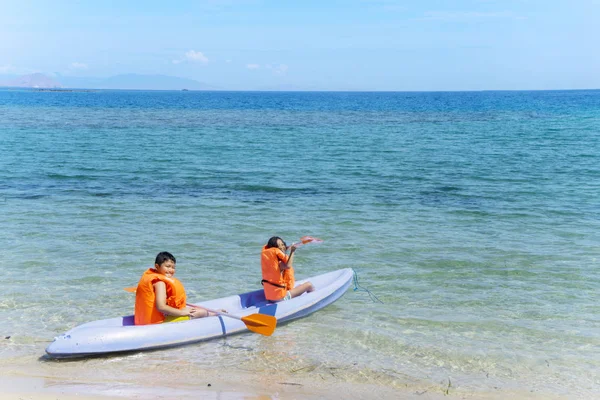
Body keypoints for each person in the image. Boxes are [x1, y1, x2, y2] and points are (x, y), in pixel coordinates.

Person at [134, 251, 217, 325]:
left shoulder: (151, 278)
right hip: (155, 324)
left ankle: (209, 313)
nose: (171, 270)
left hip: (142, 321)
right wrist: (181, 312)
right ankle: (211, 315)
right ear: (157, 266)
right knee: (200, 312)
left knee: (190, 309)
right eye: (168, 266)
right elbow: (161, 307)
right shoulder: (160, 282)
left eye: (173, 267)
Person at [261, 236, 315, 302]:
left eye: (283, 244)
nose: (282, 247)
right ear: (275, 249)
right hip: (280, 298)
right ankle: (314, 300)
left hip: (270, 296)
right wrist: (292, 251)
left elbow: (283, 249)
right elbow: (288, 266)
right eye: (279, 246)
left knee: (299, 286)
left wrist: (296, 244)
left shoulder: (270, 262)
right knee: (309, 285)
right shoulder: (279, 263)